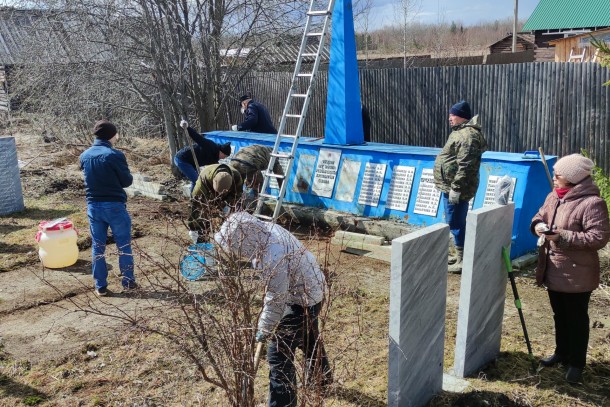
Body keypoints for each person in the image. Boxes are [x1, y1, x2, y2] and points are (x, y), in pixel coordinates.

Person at [214, 212, 332, 406]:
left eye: (237, 248)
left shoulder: (272, 254)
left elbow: (276, 298)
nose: (237, 253)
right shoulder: (265, 232)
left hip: (304, 298)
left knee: (278, 353)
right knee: (308, 335)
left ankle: (283, 404)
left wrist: (264, 329)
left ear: (245, 241)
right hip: (313, 289)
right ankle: (323, 379)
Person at [531, 154, 609, 384]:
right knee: (559, 315)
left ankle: (576, 363)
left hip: (577, 273)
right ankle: (561, 352)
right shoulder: (553, 196)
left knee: (576, 319)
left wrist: (561, 236)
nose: (554, 178)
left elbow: (598, 237)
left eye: (559, 174)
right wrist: (538, 226)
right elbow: (539, 215)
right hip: (553, 268)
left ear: (573, 178)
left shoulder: (592, 203)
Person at [80, 120, 136, 296]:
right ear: (112, 135)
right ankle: (128, 281)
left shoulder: (84, 155)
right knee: (124, 245)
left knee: (98, 246)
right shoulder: (114, 155)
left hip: (93, 207)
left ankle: (100, 286)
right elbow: (127, 181)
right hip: (114, 206)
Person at [433, 100, 487, 274]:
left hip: (456, 188)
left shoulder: (467, 136)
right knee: (453, 221)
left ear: (462, 117)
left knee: (456, 222)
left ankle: (463, 259)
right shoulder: (460, 132)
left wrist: (456, 187)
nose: (450, 118)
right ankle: (459, 255)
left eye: (453, 115)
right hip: (449, 185)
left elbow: (466, 165)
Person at [187, 163, 243, 243]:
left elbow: (238, 197)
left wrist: (230, 212)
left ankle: (226, 237)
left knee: (231, 215)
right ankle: (202, 237)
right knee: (202, 213)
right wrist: (193, 227)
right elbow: (195, 204)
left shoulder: (237, 178)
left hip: (227, 195)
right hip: (208, 190)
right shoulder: (204, 180)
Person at [174, 119, 232, 192]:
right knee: (196, 181)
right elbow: (197, 138)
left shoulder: (215, 159)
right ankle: (194, 200)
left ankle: (194, 197)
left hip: (191, 163)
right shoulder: (210, 146)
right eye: (225, 156)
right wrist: (187, 128)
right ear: (221, 152)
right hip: (182, 159)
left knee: (196, 180)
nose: (224, 158)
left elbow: (215, 169)